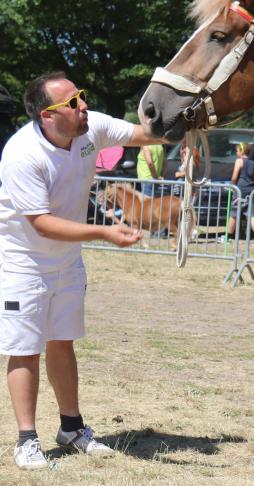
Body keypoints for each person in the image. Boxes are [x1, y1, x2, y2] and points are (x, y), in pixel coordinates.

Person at [0, 71, 164, 470]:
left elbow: (146, 134)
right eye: (72, 102)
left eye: (82, 96)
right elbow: (41, 222)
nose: (83, 105)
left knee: (63, 341)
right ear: (47, 115)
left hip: (67, 261)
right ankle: (26, 440)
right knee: (25, 350)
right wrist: (104, 232)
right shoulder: (22, 153)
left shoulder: (92, 128)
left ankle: (71, 428)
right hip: (24, 263)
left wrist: (186, 122)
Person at [225, 142, 254, 240]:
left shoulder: (239, 161)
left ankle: (228, 237)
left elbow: (234, 177)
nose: (236, 153)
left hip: (240, 190)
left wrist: (232, 186)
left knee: (234, 213)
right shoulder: (253, 163)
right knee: (251, 214)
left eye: (237, 151)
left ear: (242, 151)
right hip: (251, 190)